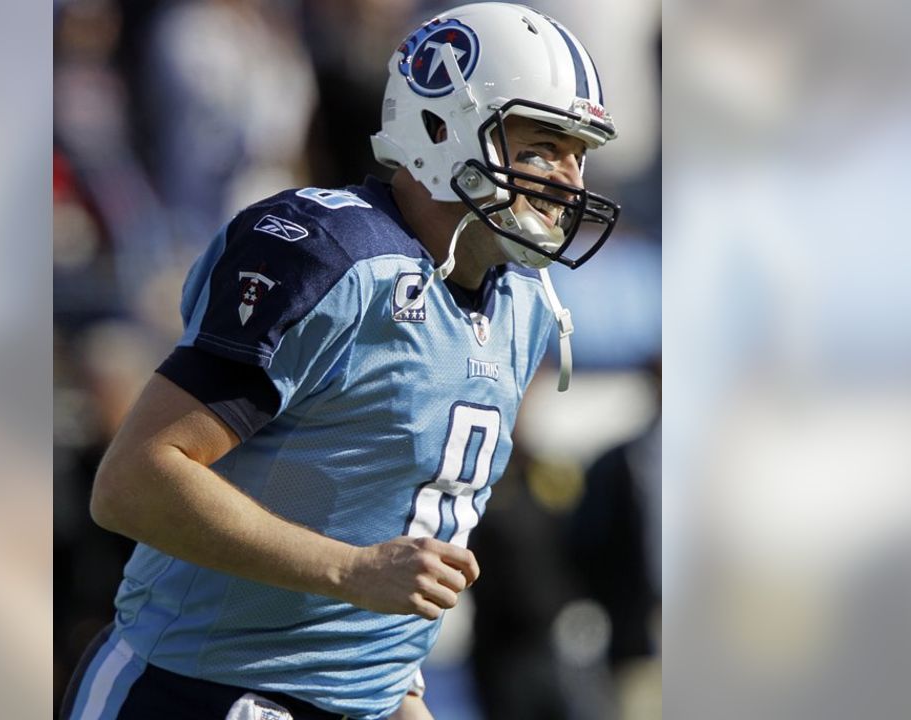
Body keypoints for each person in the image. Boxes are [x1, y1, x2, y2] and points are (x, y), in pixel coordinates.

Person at [61, 3, 622, 719]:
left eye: (580, 153)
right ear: (441, 126)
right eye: (542, 148)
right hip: (197, 690)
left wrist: (398, 690)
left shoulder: (525, 305)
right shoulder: (326, 256)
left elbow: (405, 543)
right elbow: (132, 481)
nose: (569, 183)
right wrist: (349, 571)